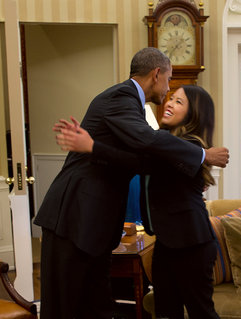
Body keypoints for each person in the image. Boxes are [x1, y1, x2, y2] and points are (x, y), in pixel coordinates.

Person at [34, 47, 229, 319]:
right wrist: (204, 155)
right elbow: (144, 147)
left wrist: (93, 147)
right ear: (156, 74)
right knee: (68, 306)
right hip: (75, 218)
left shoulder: (162, 130)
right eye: (170, 82)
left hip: (114, 228)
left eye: (179, 100)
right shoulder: (121, 97)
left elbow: (141, 158)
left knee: (95, 305)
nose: (169, 93)